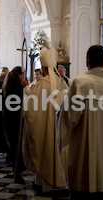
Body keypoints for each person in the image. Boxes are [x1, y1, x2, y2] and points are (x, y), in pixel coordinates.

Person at [59, 45, 103, 199]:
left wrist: (60, 141)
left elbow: (69, 119)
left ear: (87, 59)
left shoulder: (80, 83)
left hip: (83, 155)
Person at [23, 47, 69, 193]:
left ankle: (46, 184)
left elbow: (30, 107)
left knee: (45, 149)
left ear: (43, 68)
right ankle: (59, 182)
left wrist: (25, 89)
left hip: (47, 126)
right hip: (60, 127)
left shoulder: (42, 84)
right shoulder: (63, 82)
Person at [2, 66, 26, 182]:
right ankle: (18, 173)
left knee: (13, 147)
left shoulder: (8, 87)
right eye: (23, 74)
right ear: (20, 75)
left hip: (8, 120)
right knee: (17, 147)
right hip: (16, 120)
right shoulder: (18, 88)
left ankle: (16, 170)